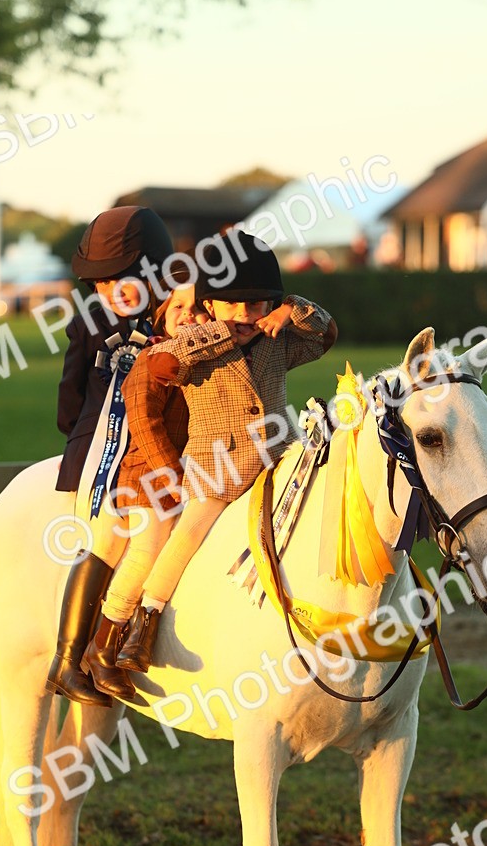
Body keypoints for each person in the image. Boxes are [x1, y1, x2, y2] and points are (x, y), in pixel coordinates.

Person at [123, 231, 338, 671]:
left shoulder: (278, 341)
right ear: (209, 306)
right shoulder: (194, 343)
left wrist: (291, 307)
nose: (245, 313)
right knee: (187, 534)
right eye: (232, 304)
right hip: (215, 471)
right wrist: (225, 336)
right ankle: (145, 619)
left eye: (256, 304)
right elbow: (163, 365)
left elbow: (326, 335)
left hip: (281, 460)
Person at [46, 205, 174, 705]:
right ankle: (68, 659)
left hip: (147, 456)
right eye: (103, 282)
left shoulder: (171, 319)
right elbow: (70, 399)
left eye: (126, 278)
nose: (113, 289)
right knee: (106, 539)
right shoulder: (88, 324)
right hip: (99, 451)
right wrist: (84, 442)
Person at [80, 282, 202, 699]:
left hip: (186, 475)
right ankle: (103, 645)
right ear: (163, 315)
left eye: (197, 308)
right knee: (149, 545)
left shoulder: (200, 361)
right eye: (179, 307)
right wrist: (174, 478)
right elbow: (145, 425)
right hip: (142, 474)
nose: (189, 314)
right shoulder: (151, 358)